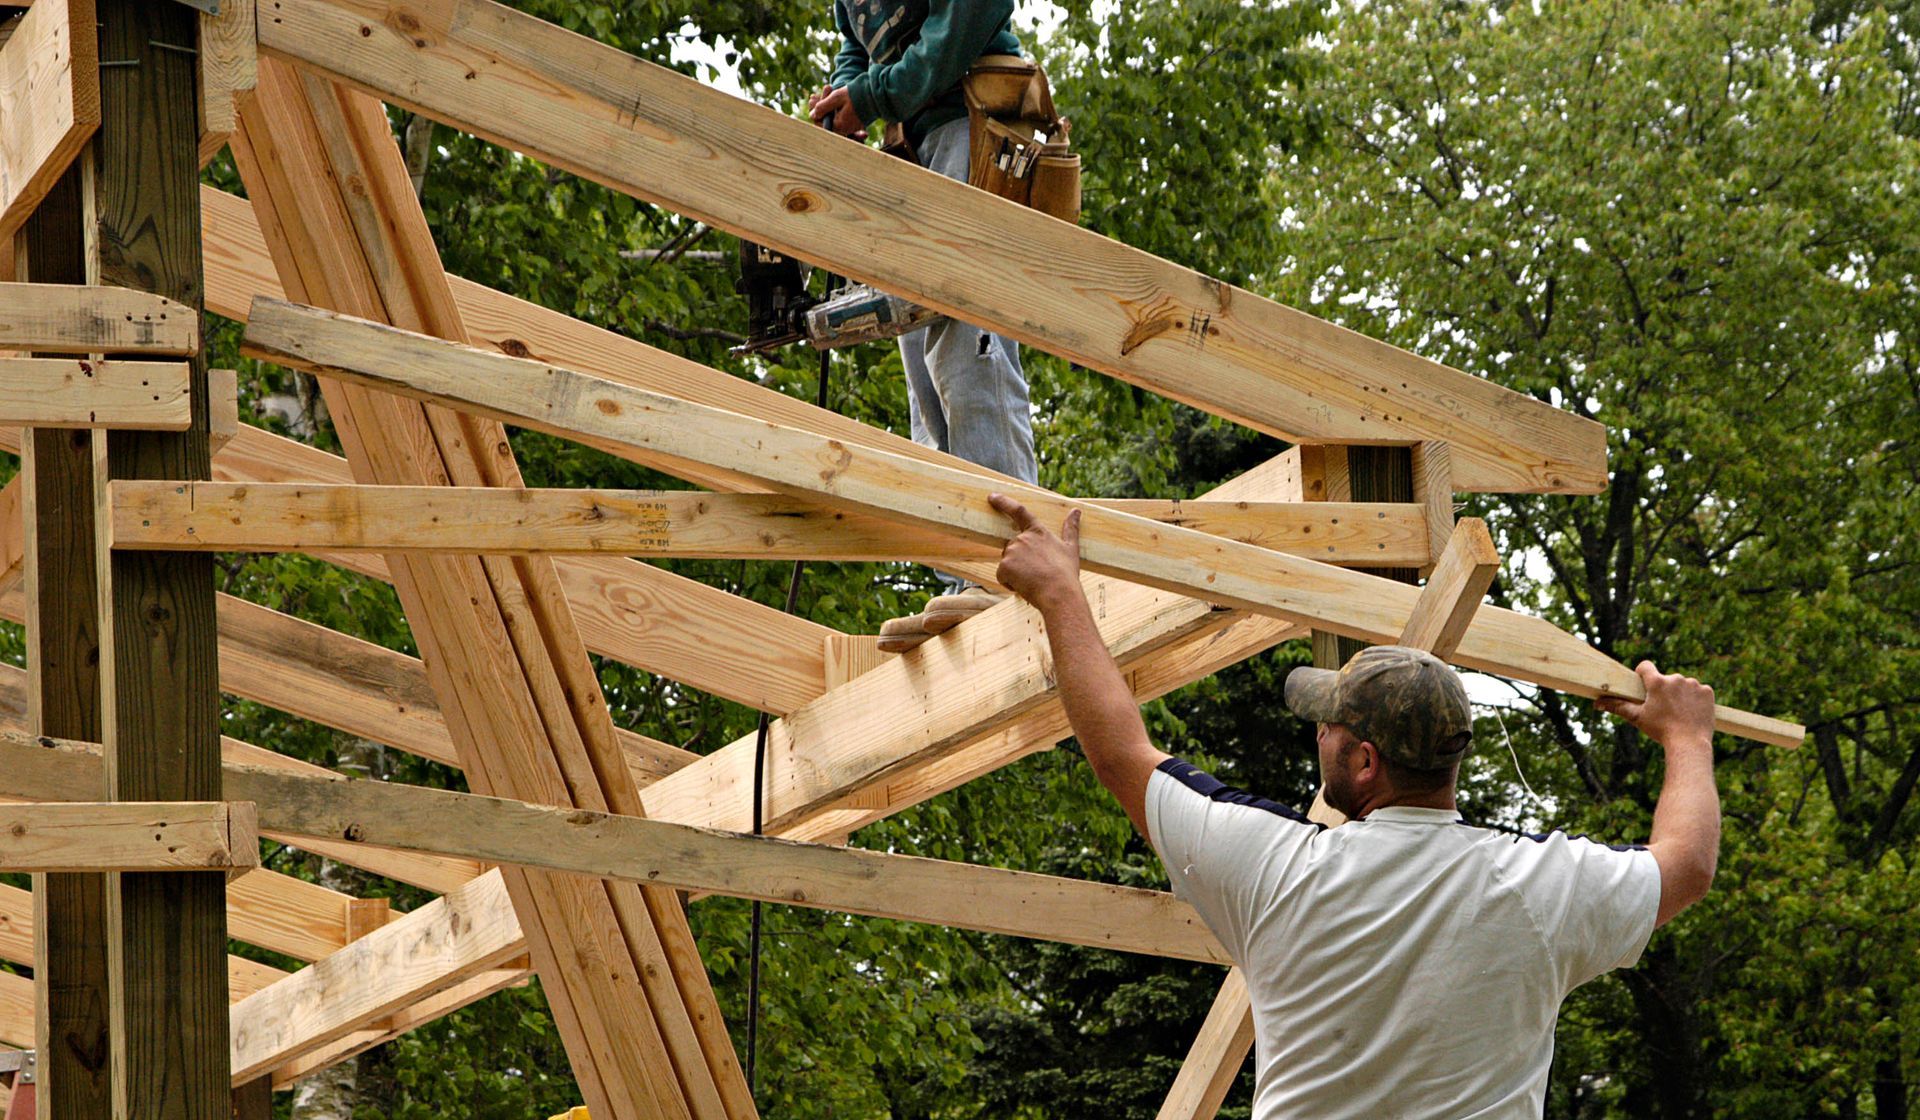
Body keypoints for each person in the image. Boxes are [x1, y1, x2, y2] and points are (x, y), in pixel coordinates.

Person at [985, 493, 1722, 1120]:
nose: (1320, 731)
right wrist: (1687, 736)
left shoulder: (1279, 871)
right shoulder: (1539, 888)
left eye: (1330, 724)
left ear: (1365, 761)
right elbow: (1684, 865)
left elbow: (1123, 756)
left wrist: (1061, 594)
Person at [810, 2, 1039, 652]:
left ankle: (1012, 568)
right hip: (914, 148)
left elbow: (970, 17)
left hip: (974, 128)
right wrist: (844, 97)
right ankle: (965, 575)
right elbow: (857, 48)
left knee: (970, 354)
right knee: (924, 372)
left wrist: (870, 95)